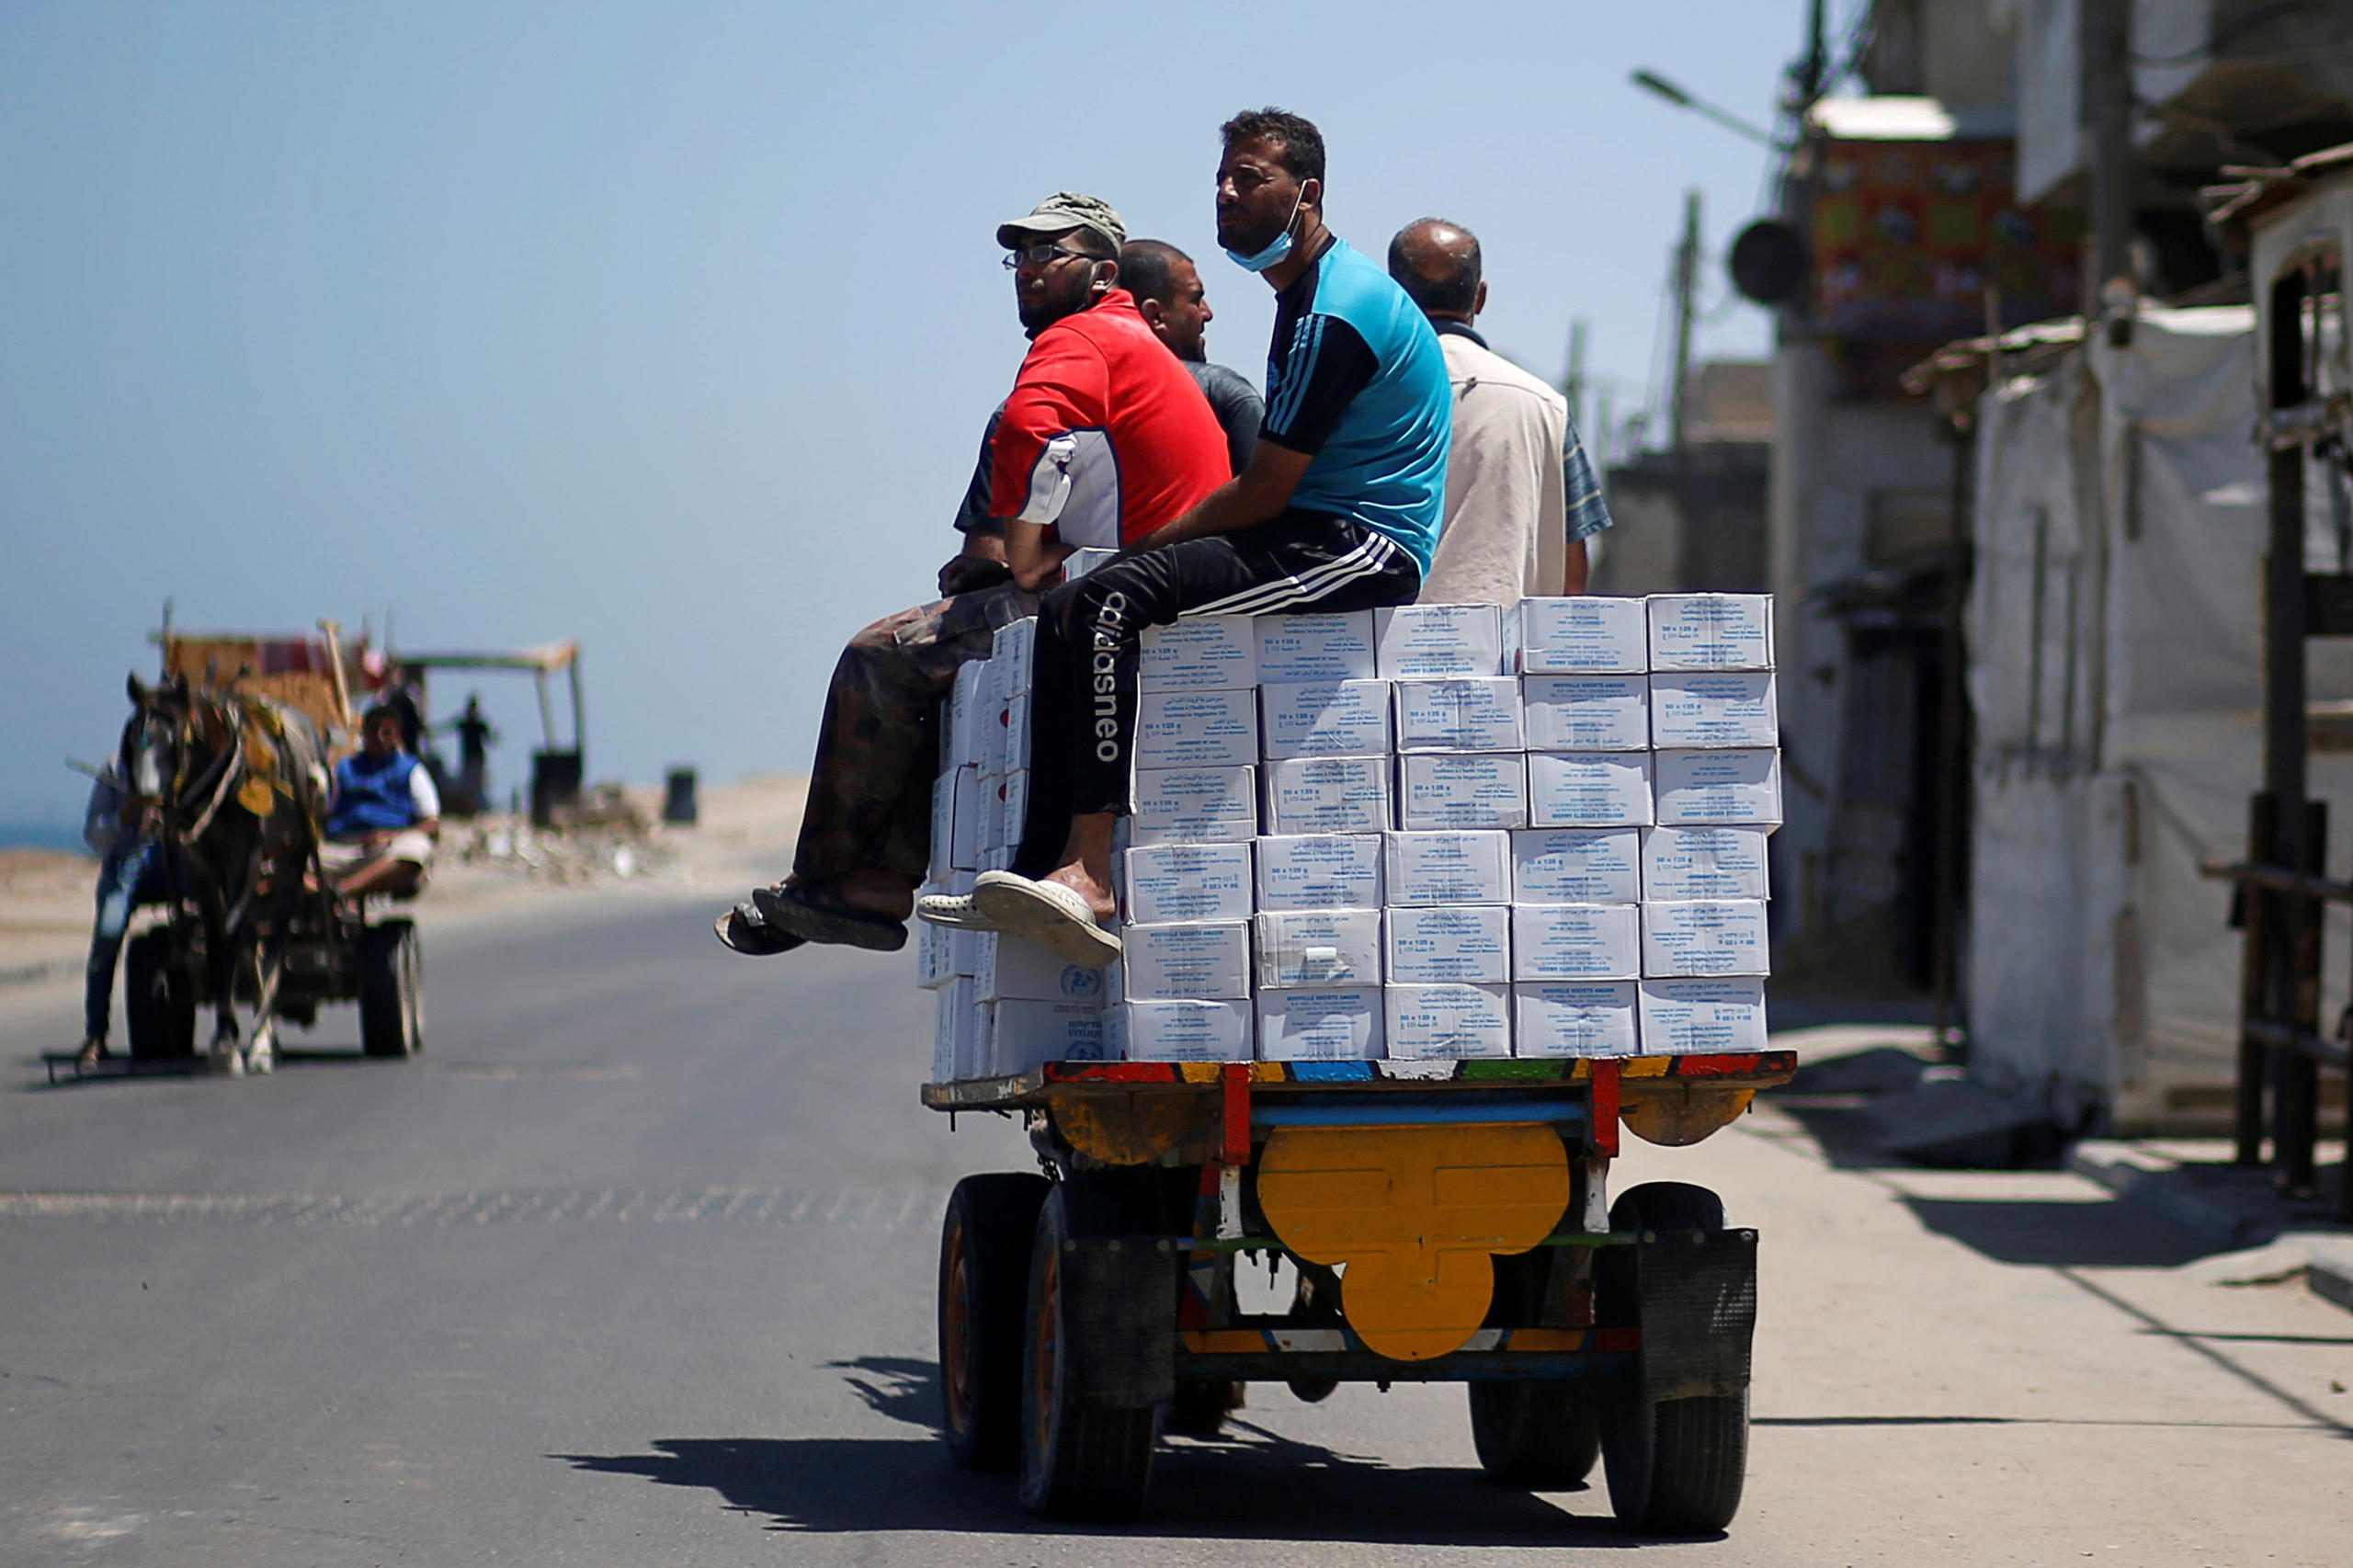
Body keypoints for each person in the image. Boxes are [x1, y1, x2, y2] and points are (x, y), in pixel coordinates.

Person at [920, 108, 1449, 965]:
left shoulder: (1337, 310)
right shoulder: (1303, 293)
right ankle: (1034, 869)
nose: (1227, 192)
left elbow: (1267, 486)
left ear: (1306, 194)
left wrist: (1143, 548)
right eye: (1222, 177)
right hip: (1309, 525)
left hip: (1362, 544)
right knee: (1071, 606)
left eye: (1252, 178)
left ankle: (1091, 874)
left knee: (1110, 599)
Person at [717, 191, 1232, 956]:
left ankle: (831, 878)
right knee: (948, 669)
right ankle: (878, 881)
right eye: (1017, 257)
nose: (1025, 272)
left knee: (880, 655)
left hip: (1115, 597)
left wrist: (1021, 561)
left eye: (1045, 255)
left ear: (1103, 273)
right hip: (1143, 585)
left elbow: (1027, 430)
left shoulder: (1082, 338)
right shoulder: (1138, 350)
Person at [1388, 218, 1615, 603]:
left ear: (1392, 296)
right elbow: (1572, 569)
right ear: (1480, 298)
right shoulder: (1545, 406)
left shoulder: (1352, 395)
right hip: (1508, 655)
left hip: (1381, 654)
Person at [1118, 238, 1263, 474]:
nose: (1207, 313)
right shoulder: (1221, 391)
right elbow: (1266, 496)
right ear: (1155, 316)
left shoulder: (1085, 394)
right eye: (1195, 300)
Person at [75, 756, 170, 1065]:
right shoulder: (116, 768)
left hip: (178, 859)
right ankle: (96, 1034)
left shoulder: (185, 760)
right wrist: (123, 819)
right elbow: (92, 834)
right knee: (109, 930)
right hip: (128, 862)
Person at [322, 701, 440, 898]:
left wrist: (389, 835)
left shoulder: (411, 770)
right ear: (364, 733)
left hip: (387, 847)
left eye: (386, 732)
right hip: (344, 846)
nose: (379, 737)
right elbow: (324, 809)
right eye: (373, 731)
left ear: (397, 735)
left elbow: (432, 824)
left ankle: (345, 890)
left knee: (415, 850)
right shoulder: (343, 769)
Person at [439, 694, 499, 815]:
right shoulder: (465, 723)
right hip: (467, 758)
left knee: (476, 783)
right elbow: (446, 728)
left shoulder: (480, 724)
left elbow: (490, 740)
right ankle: (471, 807)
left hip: (477, 758)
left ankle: (477, 807)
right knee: (468, 783)